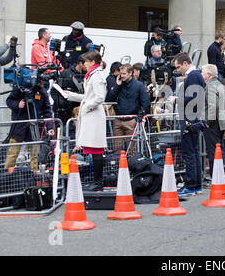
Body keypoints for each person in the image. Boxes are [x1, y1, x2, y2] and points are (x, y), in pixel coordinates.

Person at [63, 50, 107, 191]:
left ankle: (98, 182)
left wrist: (86, 107)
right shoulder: (92, 75)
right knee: (94, 150)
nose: (84, 64)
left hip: (93, 116)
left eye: (86, 62)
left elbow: (99, 97)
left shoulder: (96, 76)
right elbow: (88, 96)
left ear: (93, 62)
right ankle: (97, 181)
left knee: (96, 150)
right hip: (91, 115)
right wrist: (71, 96)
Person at [170, 52, 205, 196]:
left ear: (186, 63)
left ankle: (191, 185)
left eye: (178, 67)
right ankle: (195, 185)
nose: (178, 70)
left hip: (190, 119)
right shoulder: (194, 76)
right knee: (193, 152)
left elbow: (193, 99)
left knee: (189, 153)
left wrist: (177, 99)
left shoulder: (193, 76)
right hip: (192, 118)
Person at [5, 80, 54, 171]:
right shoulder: (20, 88)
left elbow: (47, 111)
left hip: (34, 128)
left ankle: (33, 176)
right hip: (19, 125)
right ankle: (7, 176)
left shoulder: (42, 92)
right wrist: (17, 104)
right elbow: (9, 100)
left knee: (34, 156)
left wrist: (50, 127)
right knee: (13, 153)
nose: (42, 82)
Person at [105, 63, 150, 155]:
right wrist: (117, 85)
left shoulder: (139, 85)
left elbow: (146, 102)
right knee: (117, 149)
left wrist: (140, 115)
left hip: (132, 120)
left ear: (130, 73)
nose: (121, 76)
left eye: (124, 74)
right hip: (118, 119)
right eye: (120, 74)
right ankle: (117, 166)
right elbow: (108, 99)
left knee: (132, 150)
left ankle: (132, 167)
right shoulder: (119, 84)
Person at [201, 64, 225, 178]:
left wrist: (208, 122)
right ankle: (219, 176)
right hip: (220, 122)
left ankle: (217, 178)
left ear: (208, 75)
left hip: (214, 123)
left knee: (213, 152)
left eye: (202, 72)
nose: (201, 75)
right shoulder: (220, 85)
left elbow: (214, 106)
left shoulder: (211, 86)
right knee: (218, 151)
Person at [50, 55, 86, 127]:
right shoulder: (66, 74)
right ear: (80, 63)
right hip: (64, 111)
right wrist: (62, 103)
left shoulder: (87, 75)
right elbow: (55, 90)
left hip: (79, 110)